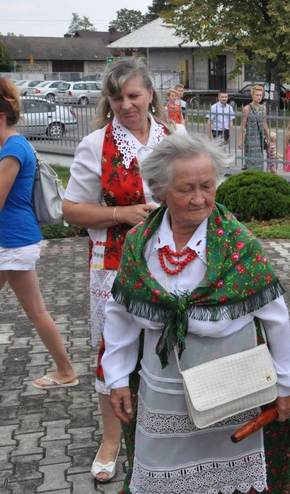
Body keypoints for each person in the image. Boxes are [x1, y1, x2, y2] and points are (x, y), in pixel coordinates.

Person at [102, 134, 290, 493]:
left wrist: (287, 383)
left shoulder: (238, 244)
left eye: (207, 186)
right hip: (163, 391)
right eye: (186, 189)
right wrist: (116, 377)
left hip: (233, 393)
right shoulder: (139, 244)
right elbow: (120, 313)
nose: (200, 199)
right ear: (160, 190)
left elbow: (275, 316)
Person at [61, 57, 187, 484]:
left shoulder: (175, 138)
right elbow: (71, 210)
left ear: (150, 93)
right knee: (112, 352)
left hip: (172, 264)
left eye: (133, 95)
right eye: (117, 97)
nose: (126, 104)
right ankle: (111, 439)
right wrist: (121, 213)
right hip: (113, 267)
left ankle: (165, 433)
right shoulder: (96, 144)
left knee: (165, 347)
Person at [0, 77, 78, 391]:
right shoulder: (9, 146)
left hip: (13, 242)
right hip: (10, 240)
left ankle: (66, 370)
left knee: (37, 311)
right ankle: (66, 369)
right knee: (37, 310)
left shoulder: (14, 149)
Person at [239, 84, 269, 171]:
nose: (259, 97)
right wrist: (240, 140)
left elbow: (264, 123)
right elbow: (243, 125)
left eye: (260, 95)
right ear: (252, 95)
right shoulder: (247, 108)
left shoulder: (263, 108)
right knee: (251, 160)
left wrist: (268, 136)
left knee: (259, 160)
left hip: (259, 138)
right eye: (257, 95)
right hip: (250, 138)